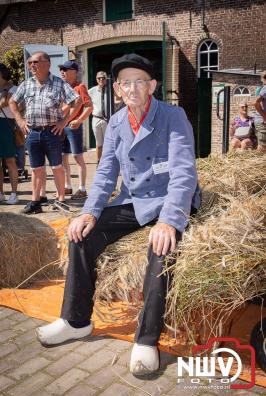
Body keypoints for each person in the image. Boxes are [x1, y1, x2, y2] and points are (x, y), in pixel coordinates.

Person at [36, 53, 200, 376]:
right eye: (126, 82)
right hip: (136, 200)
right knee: (82, 235)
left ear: (152, 86)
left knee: (161, 246)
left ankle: (147, 339)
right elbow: (106, 174)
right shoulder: (115, 123)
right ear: (118, 90)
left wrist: (169, 220)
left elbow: (184, 173)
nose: (133, 88)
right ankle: (75, 320)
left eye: (140, 81)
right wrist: (89, 212)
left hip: (169, 200)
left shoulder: (173, 116)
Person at [9, 52, 81, 214]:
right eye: (30, 63)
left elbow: (77, 101)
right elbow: (12, 101)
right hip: (33, 133)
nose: (31, 65)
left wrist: (64, 122)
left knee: (57, 167)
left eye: (35, 62)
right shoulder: (26, 84)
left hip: (52, 133)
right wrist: (20, 120)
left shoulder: (59, 84)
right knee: (36, 169)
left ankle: (61, 200)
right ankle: (36, 202)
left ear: (47, 64)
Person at [59, 61, 93, 199]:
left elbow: (89, 107)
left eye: (65, 69)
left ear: (74, 72)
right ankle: (67, 186)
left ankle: (82, 188)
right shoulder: (61, 87)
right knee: (63, 157)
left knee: (77, 157)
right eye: (62, 69)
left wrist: (79, 120)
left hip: (73, 127)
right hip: (61, 126)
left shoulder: (80, 87)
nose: (62, 72)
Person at [0, 63, 19, 205]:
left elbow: (4, 103)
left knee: (10, 161)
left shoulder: (13, 89)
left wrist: (5, 93)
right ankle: (0, 193)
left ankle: (14, 193)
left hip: (7, 126)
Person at [88, 71, 107, 164]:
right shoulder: (91, 91)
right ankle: (99, 163)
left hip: (108, 120)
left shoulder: (111, 90)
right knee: (99, 143)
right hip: (96, 119)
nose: (101, 80)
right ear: (96, 79)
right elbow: (85, 104)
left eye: (103, 78)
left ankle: (109, 162)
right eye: (99, 78)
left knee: (109, 143)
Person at [253, 70, 266, 152]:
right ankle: (255, 165)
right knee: (263, 147)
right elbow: (255, 102)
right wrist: (264, 116)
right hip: (262, 121)